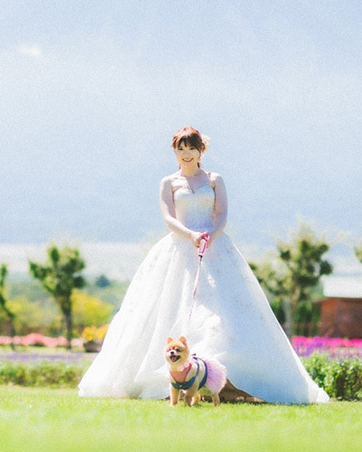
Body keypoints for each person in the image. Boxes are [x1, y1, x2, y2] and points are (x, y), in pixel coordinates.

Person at [78, 126, 329, 404]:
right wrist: (191, 235)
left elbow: (221, 214)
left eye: (191, 149)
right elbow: (169, 218)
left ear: (201, 151)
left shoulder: (214, 180)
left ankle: (226, 382)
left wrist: (211, 235)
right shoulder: (168, 183)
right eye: (180, 149)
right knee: (173, 307)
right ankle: (174, 379)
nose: (186, 154)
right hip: (179, 247)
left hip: (215, 247)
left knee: (221, 313)